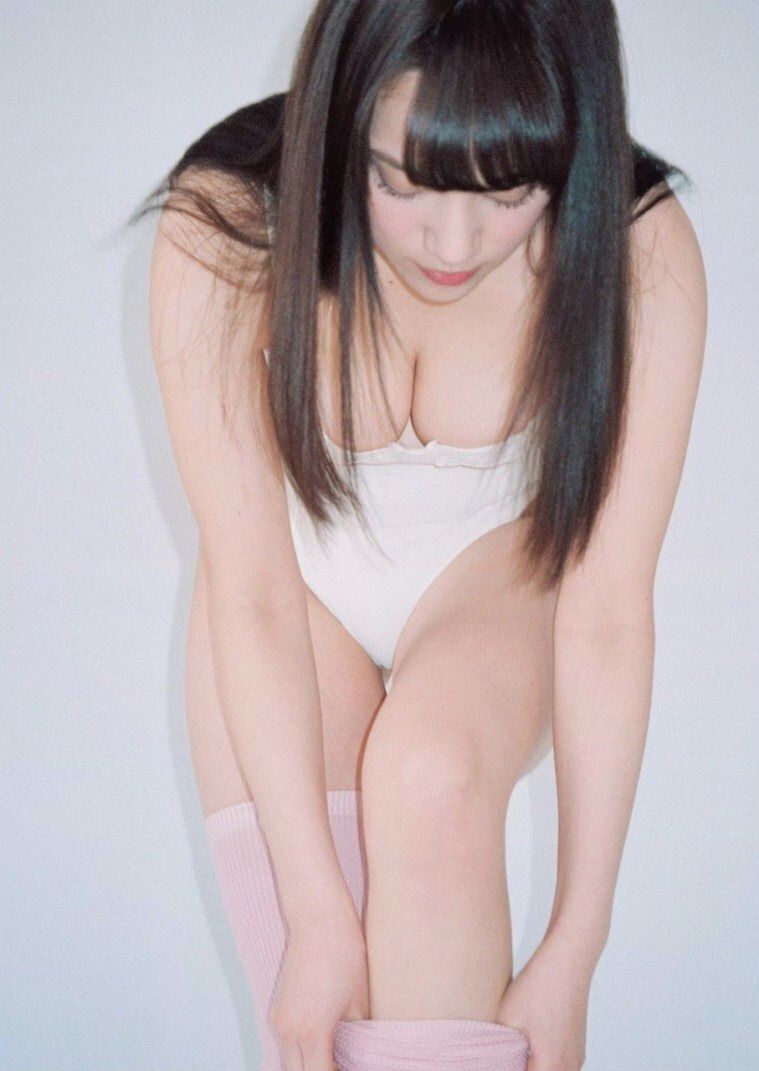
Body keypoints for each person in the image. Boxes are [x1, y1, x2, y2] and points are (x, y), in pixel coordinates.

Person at [131, 1, 707, 1068]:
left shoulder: (636, 244)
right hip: (287, 590)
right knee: (321, 1004)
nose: (453, 245)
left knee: (428, 774)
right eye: (401, 184)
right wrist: (317, 914)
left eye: (509, 195)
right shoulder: (233, 220)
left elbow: (607, 610)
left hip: (499, 572)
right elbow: (250, 588)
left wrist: (574, 947)